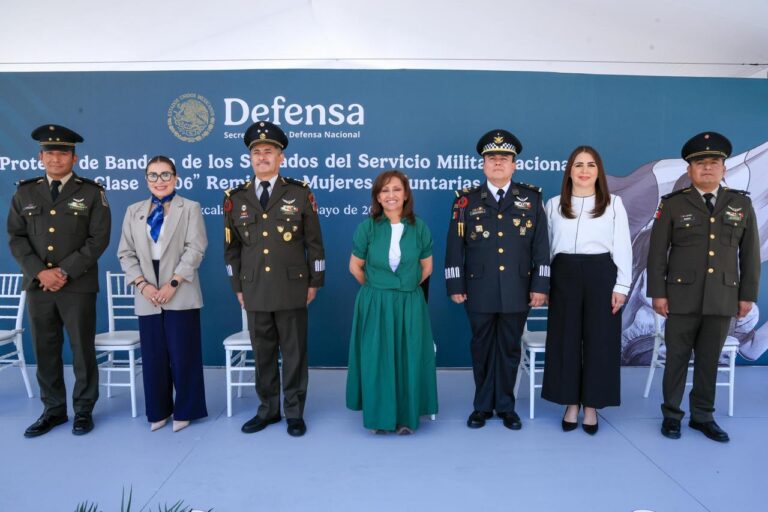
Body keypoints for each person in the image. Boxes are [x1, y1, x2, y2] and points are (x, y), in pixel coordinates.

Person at [647, 131, 760, 443]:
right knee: (677, 359)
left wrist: (747, 295)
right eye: (700, 163)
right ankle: (671, 415)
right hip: (680, 297)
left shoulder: (740, 204)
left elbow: (750, 253)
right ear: (689, 170)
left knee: (710, 360)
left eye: (714, 162)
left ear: (724, 168)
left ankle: (703, 416)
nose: (707, 168)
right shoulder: (672, 205)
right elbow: (657, 252)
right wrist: (658, 292)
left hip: (723, 297)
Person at [7, 124, 111, 437]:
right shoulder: (25, 192)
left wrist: (64, 271)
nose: (56, 159)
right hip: (39, 286)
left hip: (77, 285)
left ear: (74, 158)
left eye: (62, 153)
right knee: (45, 349)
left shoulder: (92, 192)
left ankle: (83, 411)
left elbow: (98, 239)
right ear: (40, 157)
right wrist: (40, 272)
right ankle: (53, 410)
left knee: (82, 350)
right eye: (50, 153)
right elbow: (16, 237)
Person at [223, 121, 325, 437]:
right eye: (257, 152)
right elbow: (231, 248)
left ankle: (294, 412)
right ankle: (268, 410)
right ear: (250, 158)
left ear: (281, 157)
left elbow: (314, 244)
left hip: (293, 286)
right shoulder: (235, 197)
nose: (262, 157)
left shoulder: (299, 192)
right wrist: (237, 286)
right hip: (254, 288)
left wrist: (314, 281)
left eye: (269, 151)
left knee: (294, 353)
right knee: (263, 353)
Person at [445, 129, 550, 430]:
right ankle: (481, 406)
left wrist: (540, 286)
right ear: (483, 164)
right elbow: (455, 247)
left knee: (509, 349)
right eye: (492, 158)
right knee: (481, 348)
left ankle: (506, 406)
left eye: (504, 158)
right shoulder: (465, 202)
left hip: (518, 289)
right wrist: (456, 284)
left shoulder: (530, 199)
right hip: (478, 289)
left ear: (514, 165)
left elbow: (541, 248)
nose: (498, 162)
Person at [541, 146, 632, 434]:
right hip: (563, 274)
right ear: (569, 170)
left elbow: (623, 247)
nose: (584, 170)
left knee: (600, 341)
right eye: (578, 164)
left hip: (601, 274)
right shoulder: (554, 204)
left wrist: (622, 285)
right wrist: (543, 284)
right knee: (565, 340)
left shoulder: (614, 203)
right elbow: (545, 249)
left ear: (599, 171)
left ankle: (591, 406)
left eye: (591, 165)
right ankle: (570, 403)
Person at [117, 156, 208, 432]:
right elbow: (125, 252)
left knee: (183, 353)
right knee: (154, 355)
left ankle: (186, 409)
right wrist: (143, 285)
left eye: (165, 175)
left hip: (180, 285)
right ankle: (158, 410)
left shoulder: (190, 207)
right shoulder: (134, 211)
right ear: (146, 180)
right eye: (153, 175)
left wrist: (174, 283)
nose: (160, 181)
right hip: (147, 288)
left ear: (176, 177)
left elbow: (196, 248)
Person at [346, 170, 438, 434]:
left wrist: (403, 287)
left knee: (409, 357)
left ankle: (406, 418)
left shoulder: (419, 227)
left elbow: (427, 267)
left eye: (396, 189)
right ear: (377, 196)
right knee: (378, 359)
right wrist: (379, 290)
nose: (391, 195)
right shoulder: (367, 228)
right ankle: (379, 419)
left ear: (406, 194)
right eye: (384, 190)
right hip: (376, 303)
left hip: (410, 302)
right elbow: (355, 267)